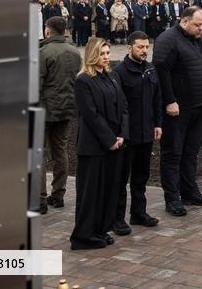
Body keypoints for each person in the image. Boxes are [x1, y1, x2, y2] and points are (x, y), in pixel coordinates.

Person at [154, 6, 202, 216]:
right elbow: (162, 71)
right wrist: (170, 101)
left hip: (199, 105)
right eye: (197, 25)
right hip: (177, 109)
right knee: (173, 153)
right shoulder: (168, 39)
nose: (201, 28)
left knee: (191, 152)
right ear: (184, 22)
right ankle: (172, 198)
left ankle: (189, 191)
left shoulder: (201, 38)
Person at [70, 38, 128, 251]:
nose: (105, 57)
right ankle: (85, 235)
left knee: (108, 191)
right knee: (90, 193)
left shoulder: (112, 76)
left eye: (107, 53)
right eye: (102, 53)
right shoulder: (83, 81)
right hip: (94, 147)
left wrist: (121, 135)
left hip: (115, 144)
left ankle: (101, 230)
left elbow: (123, 107)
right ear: (92, 55)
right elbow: (91, 115)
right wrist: (110, 139)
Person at [112, 31, 162, 233]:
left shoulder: (150, 69)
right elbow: (117, 107)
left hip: (146, 132)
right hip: (127, 135)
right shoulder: (120, 72)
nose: (144, 51)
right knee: (121, 178)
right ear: (129, 47)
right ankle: (117, 218)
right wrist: (121, 133)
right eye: (140, 47)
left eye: (146, 47)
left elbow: (157, 98)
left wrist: (158, 123)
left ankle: (138, 213)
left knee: (141, 175)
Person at [38, 16, 79, 214]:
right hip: (67, 108)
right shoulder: (74, 52)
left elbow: (36, 84)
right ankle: (59, 194)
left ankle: (39, 199)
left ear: (48, 30)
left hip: (45, 109)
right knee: (60, 150)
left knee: (38, 153)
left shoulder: (44, 52)